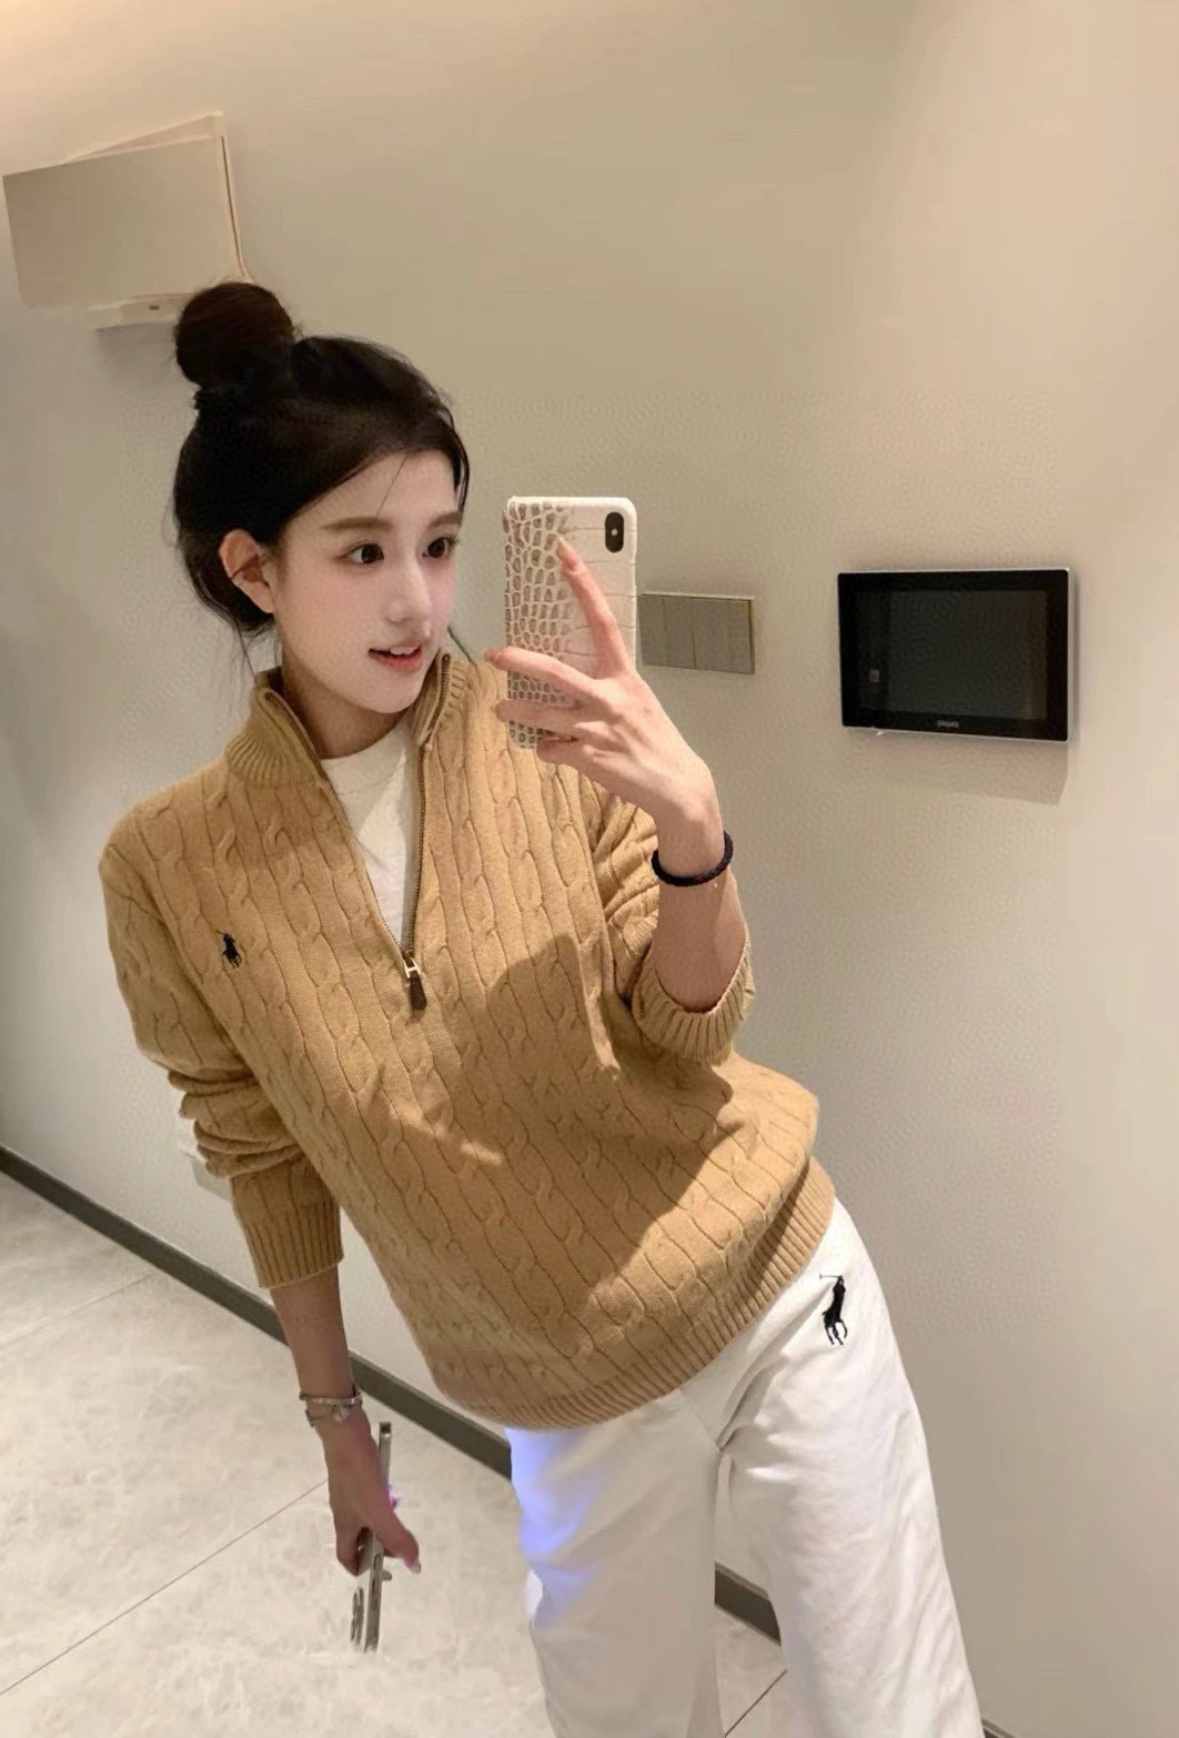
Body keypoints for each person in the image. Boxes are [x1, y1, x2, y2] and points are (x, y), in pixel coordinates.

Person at [98, 279, 983, 1738]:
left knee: (900, 1716)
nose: (416, 599)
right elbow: (259, 1149)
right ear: (254, 568)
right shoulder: (170, 866)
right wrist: (337, 1422)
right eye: (363, 549)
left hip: (779, 1293)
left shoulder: (548, 734)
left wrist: (692, 831)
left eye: (441, 542)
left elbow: (688, 1025)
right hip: (559, 1386)